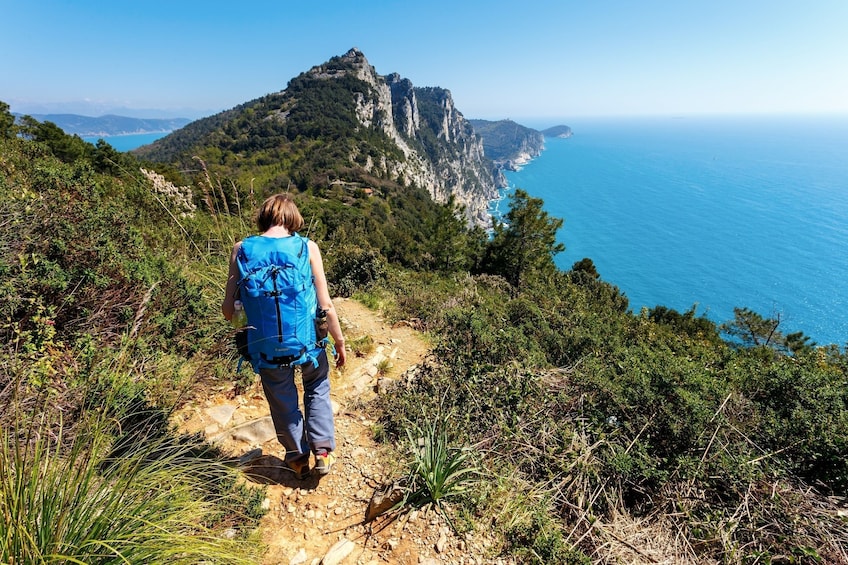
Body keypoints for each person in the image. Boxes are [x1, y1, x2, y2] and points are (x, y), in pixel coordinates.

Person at [222, 194, 346, 478]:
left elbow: (229, 310)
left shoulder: (241, 249)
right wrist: (339, 342)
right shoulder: (307, 247)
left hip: (265, 348)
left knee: (281, 400)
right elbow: (325, 305)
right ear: (292, 219)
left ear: (263, 217)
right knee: (317, 387)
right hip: (309, 345)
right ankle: (323, 452)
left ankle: (297, 457)